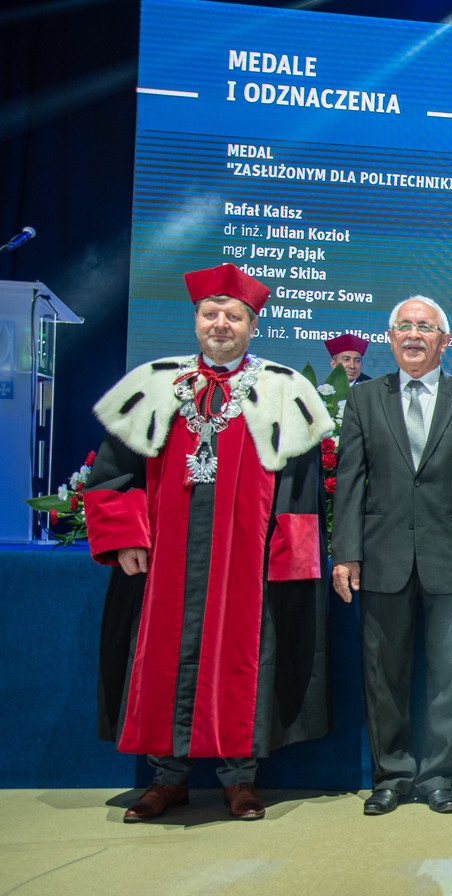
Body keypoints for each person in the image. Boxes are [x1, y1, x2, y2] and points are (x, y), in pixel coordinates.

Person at [84, 263, 332, 822]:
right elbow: (113, 474)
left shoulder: (283, 390)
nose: (221, 324)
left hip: (246, 559)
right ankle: (166, 779)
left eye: (233, 316)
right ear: (196, 320)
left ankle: (239, 778)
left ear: (253, 326)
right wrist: (124, 537)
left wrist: (288, 558)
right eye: (211, 314)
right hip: (163, 557)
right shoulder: (154, 384)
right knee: (161, 656)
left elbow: (300, 491)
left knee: (243, 658)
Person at [330, 296, 452, 815]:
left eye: (424, 327)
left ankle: (439, 776)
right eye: (403, 326)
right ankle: (392, 776)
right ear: (390, 338)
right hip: (382, 557)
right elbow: (350, 481)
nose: (412, 334)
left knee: (450, 671)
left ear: (444, 341)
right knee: (383, 674)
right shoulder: (364, 398)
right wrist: (346, 552)